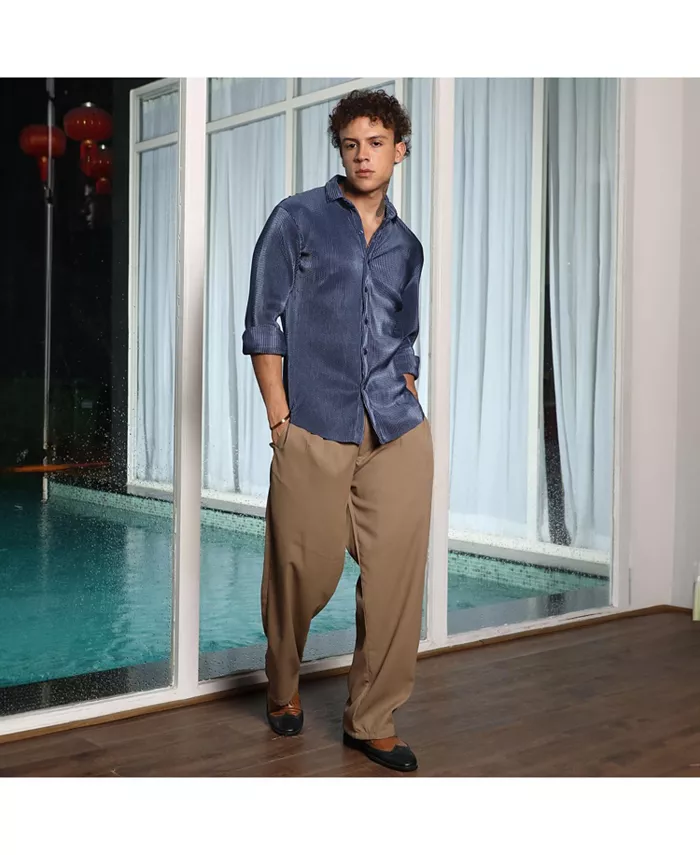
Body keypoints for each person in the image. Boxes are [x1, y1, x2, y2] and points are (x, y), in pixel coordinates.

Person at [242, 88, 433, 773]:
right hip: (315, 422)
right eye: (351, 144)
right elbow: (263, 321)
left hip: (395, 428)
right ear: (340, 150)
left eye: (376, 143)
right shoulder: (296, 219)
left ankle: (372, 719)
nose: (363, 155)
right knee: (303, 567)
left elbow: (404, 332)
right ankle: (283, 682)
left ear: (399, 150)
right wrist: (278, 415)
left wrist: (407, 379)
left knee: (395, 582)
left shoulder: (407, 246)